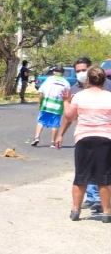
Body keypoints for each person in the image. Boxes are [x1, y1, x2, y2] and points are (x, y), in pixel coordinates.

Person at [56, 66, 111, 223]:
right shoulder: (109, 97)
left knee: (81, 176)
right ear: (104, 80)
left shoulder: (80, 96)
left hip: (84, 138)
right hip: (105, 139)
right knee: (104, 177)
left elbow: (70, 116)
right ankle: (107, 212)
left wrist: (66, 101)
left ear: (87, 80)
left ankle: (75, 210)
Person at [31, 65, 70, 148]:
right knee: (55, 125)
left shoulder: (49, 80)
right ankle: (52, 142)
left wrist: (39, 103)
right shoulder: (66, 83)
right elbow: (67, 97)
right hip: (58, 106)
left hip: (46, 104)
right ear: (63, 73)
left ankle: (36, 137)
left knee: (41, 121)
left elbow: (41, 92)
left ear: (54, 72)